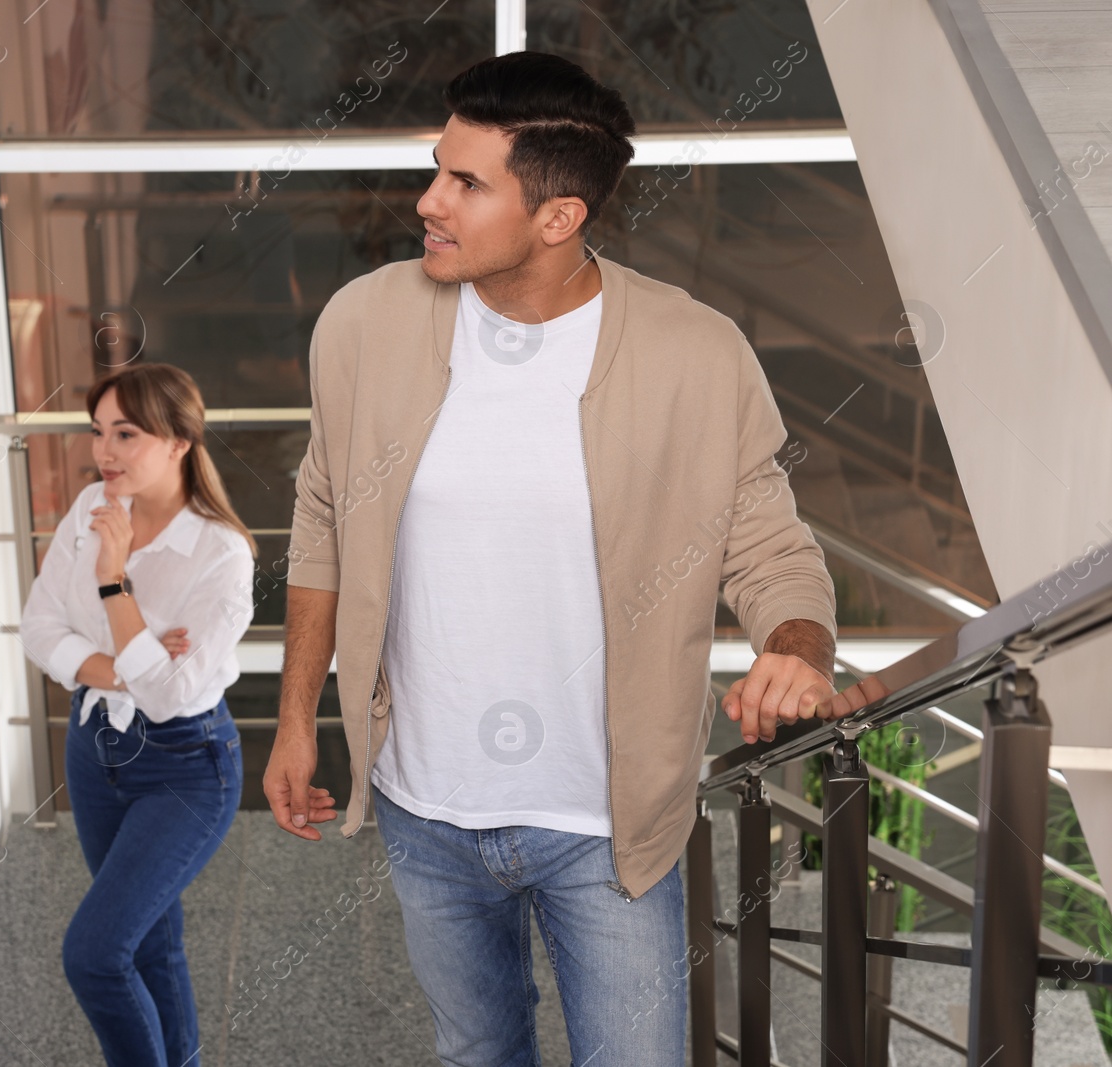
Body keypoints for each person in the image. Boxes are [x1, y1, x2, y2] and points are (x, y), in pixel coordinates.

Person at [263, 52, 844, 1066]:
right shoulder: (364, 324)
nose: (427, 200)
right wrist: (297, 719)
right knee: (477, 1052)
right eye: (437, 169)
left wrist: (796, 645)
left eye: (464, 182)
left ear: (557, 216)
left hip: (604, 823)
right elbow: (322, 518)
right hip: (422, 804)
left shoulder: (694, 353)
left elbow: (766, 538)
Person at [20, 362, 257, 1067]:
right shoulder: (92, 503)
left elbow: (168, 698)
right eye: (99, 432)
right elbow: (39, 629)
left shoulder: (222, 554)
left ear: (180, 440)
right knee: (149, 940)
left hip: (186, 766)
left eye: (126, 432)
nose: (105, 451)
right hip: (94, 750)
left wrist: (111, 581)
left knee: (94, 955)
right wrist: (134, 661)